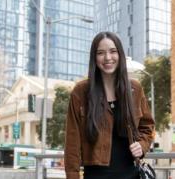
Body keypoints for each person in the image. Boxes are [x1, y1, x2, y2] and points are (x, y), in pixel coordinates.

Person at [64, 31, 155, 179]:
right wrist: (72, 176)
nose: (107, 58)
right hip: (95, 175)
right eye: (100, 53)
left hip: (130, 173)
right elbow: (72, 143)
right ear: (94, 57)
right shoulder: (80, 92)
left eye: (113, 51)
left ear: (120, 55)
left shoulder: (135, 89)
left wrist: (142, 145)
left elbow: (147, 126)